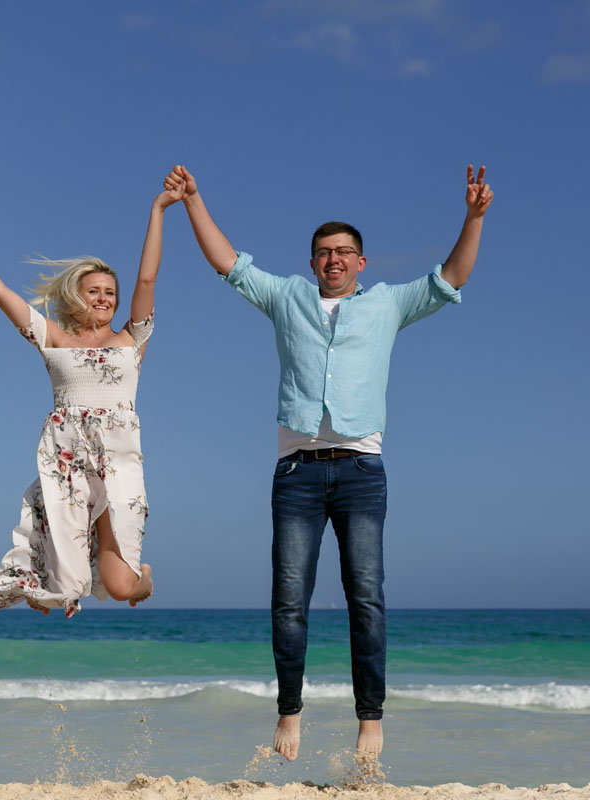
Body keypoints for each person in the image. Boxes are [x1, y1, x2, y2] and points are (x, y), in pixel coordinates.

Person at [165, 164, 493, 761]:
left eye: (344, 252)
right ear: (312, 261)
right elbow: (228, 264)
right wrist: (194, 200)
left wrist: (472, 218)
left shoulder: (389, 305)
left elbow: (451, 277)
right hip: (297, 472)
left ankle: (371, 719)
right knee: (289, 597)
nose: (333, 260)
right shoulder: (287, 296)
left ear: (360, 262)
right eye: (323, 253)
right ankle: (290, 712)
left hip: (362, 472)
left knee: (365, 595)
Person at [0, 182, 183, 617]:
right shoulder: (54, 339)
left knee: (122, 587)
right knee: (68, 587)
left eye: (110, 293)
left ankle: (145, 577)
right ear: (75, 296)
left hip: (119, 463)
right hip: (69, 462)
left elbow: (148, 276)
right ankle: (54, 580)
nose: (104, 298)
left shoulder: (131, 340)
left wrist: (159, 208)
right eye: (95, 291)